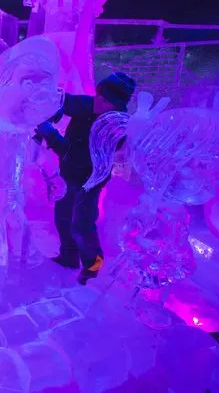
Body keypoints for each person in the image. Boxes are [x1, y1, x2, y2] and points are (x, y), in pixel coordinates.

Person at [33, 72, 136, 285]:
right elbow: (71, 102)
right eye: (99, 95)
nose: (99, 101)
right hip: (69, 173)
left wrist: (51, 134)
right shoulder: (93, 104)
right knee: (62, 216)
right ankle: (68, 256)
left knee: (82, 223)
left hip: (90, 180)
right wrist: (54, 106)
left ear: (116, 105)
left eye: (106, 100)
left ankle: (93, 264)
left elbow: (77, 156)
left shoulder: (114, 130)